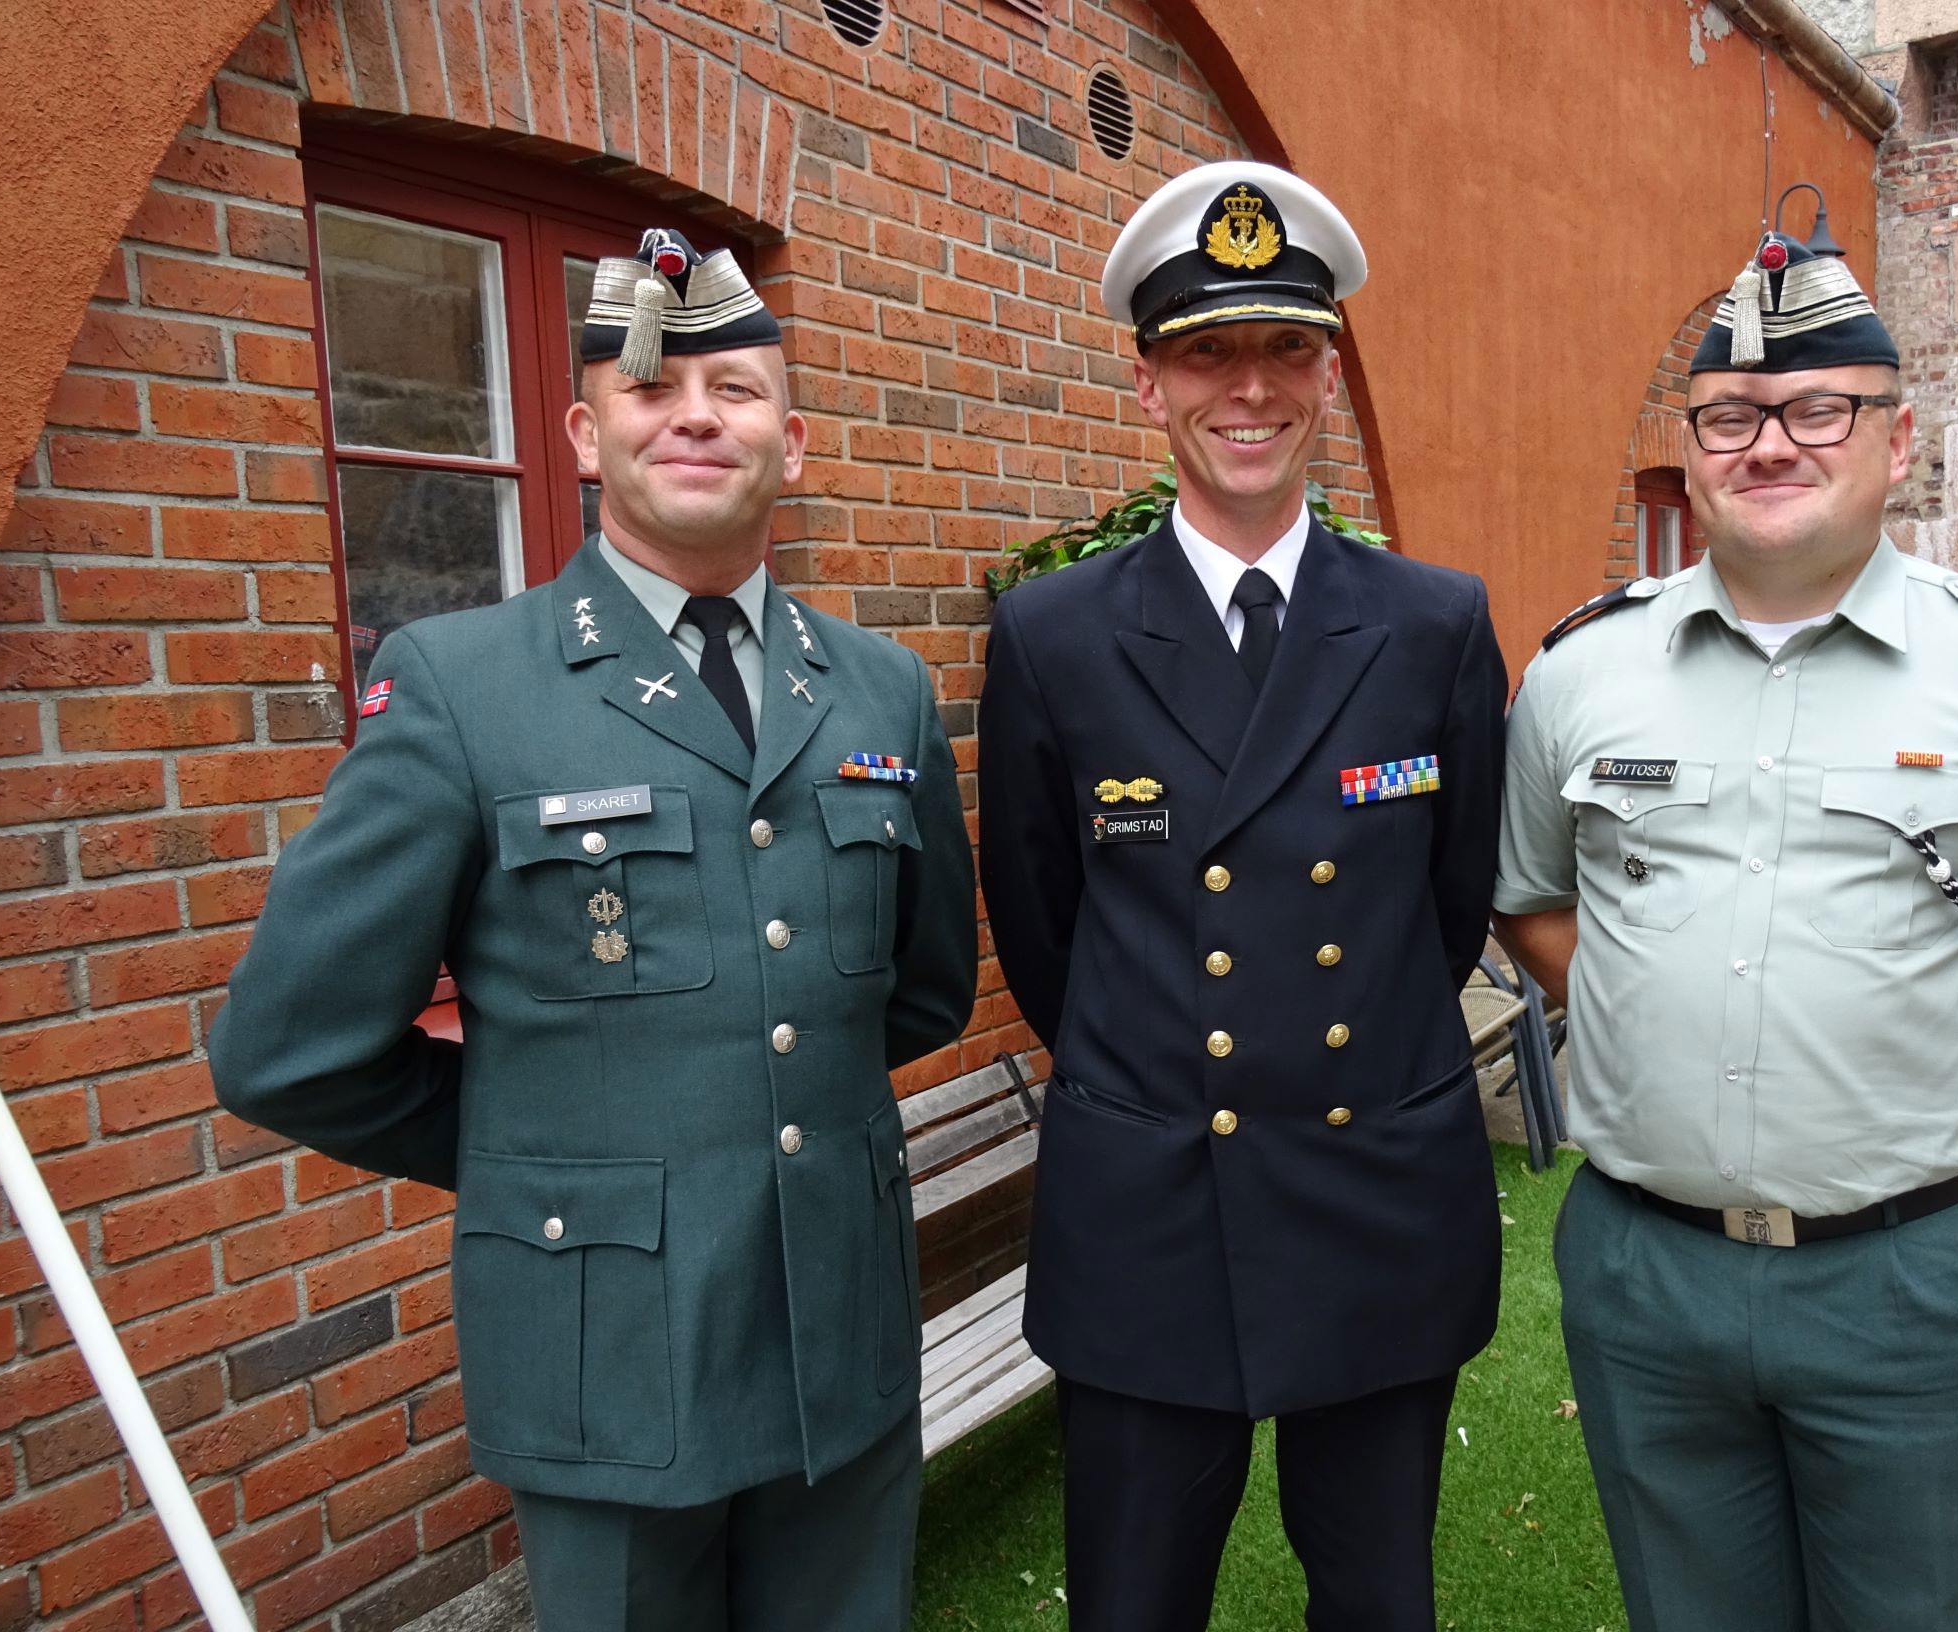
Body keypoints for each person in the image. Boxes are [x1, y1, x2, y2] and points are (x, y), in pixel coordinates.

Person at [209, 228, 976, 1632]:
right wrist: (549, 1153)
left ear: (793, 443)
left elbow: (921, 993)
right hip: (607, 1351)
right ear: (582, 434)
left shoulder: (880, 690)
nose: (696, 416)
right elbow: (287, 1050)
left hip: (842, 1330)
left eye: (737, 391)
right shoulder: (462, 685)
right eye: (651, 388)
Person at [1492, 204, 1958, 1632]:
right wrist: (1657, 1035)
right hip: (1644, 1271)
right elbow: (1535, 904)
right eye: (1730, 415)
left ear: (1897, 437)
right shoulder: (1576, 674)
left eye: (1820, 408)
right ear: (1692, 445)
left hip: (1906, 1277)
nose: (1771, 444)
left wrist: (1933, 1078)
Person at [976, 161, 1508, 1631]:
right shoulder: (1056, 633)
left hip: (1372, 1189)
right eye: (1208, 352)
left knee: (1377, 1602)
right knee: (1133, 1605)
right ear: (1150, 383)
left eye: (1285, 348)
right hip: (1150, 1207)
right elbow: (1042, 927)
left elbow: (1448, 907)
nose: (1250, 388)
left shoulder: (1431, 622)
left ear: (1328, 374)